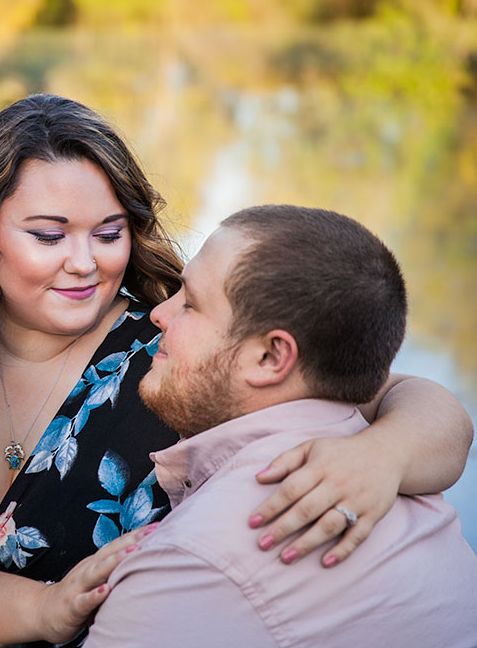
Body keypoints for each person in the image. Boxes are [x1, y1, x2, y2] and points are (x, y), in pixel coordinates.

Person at [0, 95, 474, 648]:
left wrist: (383, 454)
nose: (85, 263)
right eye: (50, 234)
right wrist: (41, 611)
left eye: (108, 232)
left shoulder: (171, 353)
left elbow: (390, 390)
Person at [86, 205, 477, 648]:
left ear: (271, 358)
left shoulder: (189, 564)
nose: (160, 314)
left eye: (190, 304)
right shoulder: (392, 463)